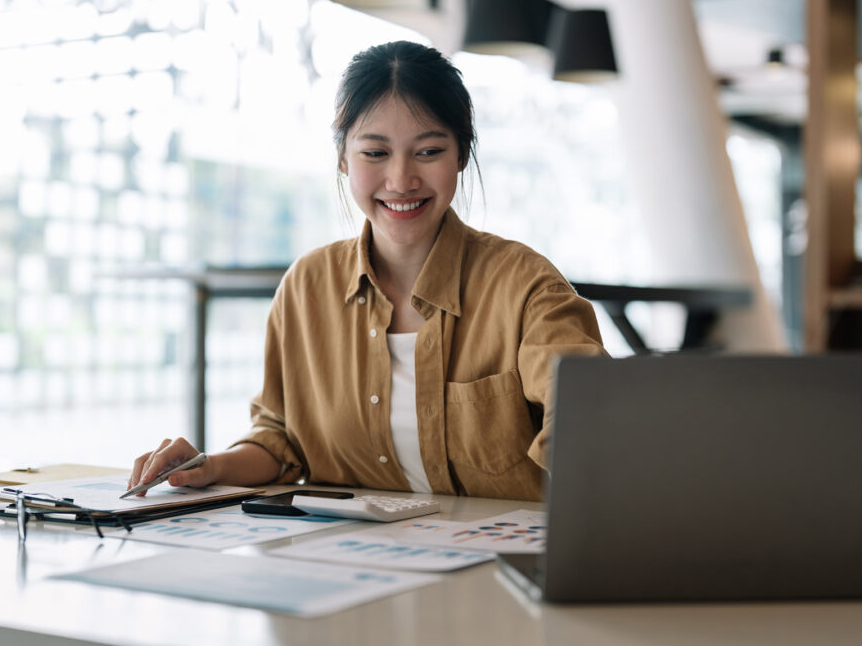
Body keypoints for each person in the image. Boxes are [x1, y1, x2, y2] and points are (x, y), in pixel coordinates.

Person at [128, 40, 606, 501]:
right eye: (375, 153)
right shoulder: (305, 288)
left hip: (501, 563)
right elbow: (280, 441)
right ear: (342, 157)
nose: (401, 180)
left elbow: (594, 418)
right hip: (353, 564)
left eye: (429, 151)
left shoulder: (525, 286)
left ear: (461, 155)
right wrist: (208, 467)